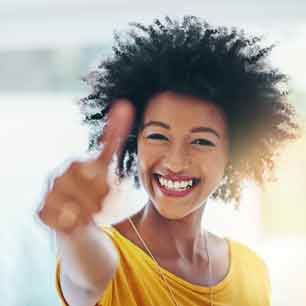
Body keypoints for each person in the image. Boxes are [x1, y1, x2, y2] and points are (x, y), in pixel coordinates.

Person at [37, 16, 301, 306]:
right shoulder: (106, 258)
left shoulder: (252, 270)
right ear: (134, 143)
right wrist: (74, 230)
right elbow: (88, 274)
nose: (175, 162)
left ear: (233, 155)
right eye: (158, 136)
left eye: (201, 141)